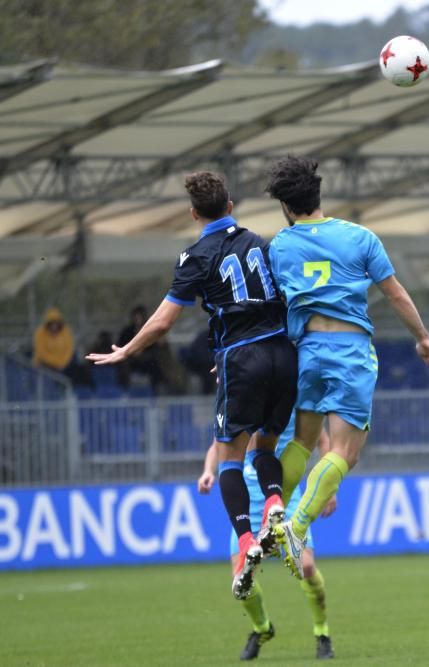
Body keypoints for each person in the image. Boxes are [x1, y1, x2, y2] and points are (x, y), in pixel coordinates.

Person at [88, 171, 297, 600]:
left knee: (228, 460)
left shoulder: (196, 255)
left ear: (194, 213)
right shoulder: (262, 243)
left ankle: (246, 541)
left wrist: (126, 350)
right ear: (231, 207)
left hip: (241, 358)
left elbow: (164, 320)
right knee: (264, 448)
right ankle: (274, 504)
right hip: (283, 353)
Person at [262, 155, 429, 580]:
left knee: (305, 442)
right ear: (317, 195)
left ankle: (270, 517)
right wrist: (423, 337)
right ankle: (296, 526)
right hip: (349, 352)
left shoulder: (280, 247)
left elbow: (269, 306)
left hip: (305, 351)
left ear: (287, 208)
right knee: (346, 451)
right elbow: (395, 294)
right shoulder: (359, 238)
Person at [198, 418, 337, 660]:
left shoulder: (290, 399)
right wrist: (208, 471)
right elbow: (218, 445)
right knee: (241, 579)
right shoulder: (242, 401)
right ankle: (262, 628)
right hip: (247, 503)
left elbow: (323, 441)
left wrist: (330, 489)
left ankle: (322, 633)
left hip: (286, 497)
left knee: (305, 566)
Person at [115, 305, 167, 394]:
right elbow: (121, 345)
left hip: (148, 359)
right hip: (130, 358)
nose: (137, 319)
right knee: (122, 366)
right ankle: (125, 391)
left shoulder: (150, 329)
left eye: (140, 316)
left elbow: (157, 346)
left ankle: (155, 391)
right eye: (136, 316)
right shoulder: (127, 331)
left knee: (156, 366)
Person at [32, 307, 75, 373]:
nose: (54, 326)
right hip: (44, 366)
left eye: (56, 323)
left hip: (63, 366)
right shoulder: (40, 333)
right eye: (52, 323)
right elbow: (41, 352)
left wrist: (62, 363)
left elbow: (69, 350)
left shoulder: (66, 332)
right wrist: (55, 364)